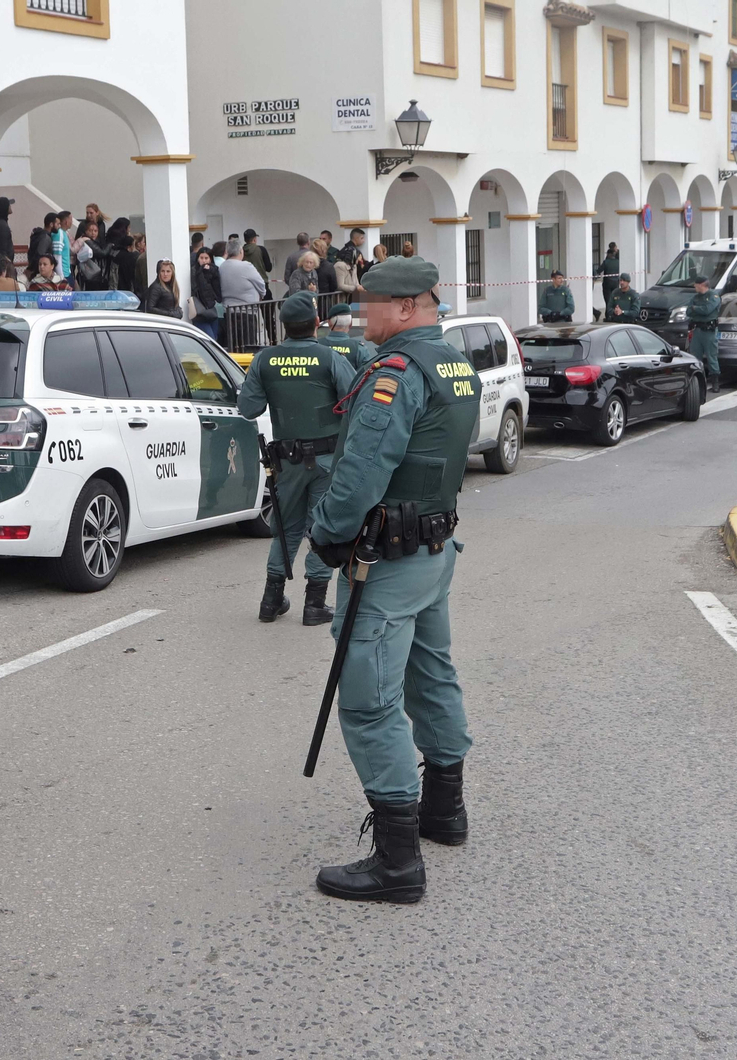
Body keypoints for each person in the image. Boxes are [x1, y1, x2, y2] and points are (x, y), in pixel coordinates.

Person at [306, 255, 480, 904]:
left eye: (370, 303)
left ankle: (398, 861)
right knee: (431, 676)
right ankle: (444, 810)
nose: (360, 313)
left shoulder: (396, 374)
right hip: (434, 552)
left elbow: (361, 472)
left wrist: (326, 534)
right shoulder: (453, 362)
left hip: (388, 561)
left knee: (369, 701)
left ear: (405, 308)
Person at [238, 291, 358, 626]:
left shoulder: (264, 360)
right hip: (326, 460)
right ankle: (314, 604)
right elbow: (354, 399)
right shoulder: (329, 358)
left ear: (283, 326)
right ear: (317, 323)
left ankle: (270, 601)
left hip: (286, 461)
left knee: (286, 528)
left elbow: (248, 408)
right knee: (321, 526)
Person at [686, 275, 722, 393]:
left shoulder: (713, 296)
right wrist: (697, 309)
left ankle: (715, 381)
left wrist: (695, 308)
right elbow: (688, 311)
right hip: (697, 330)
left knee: (711, 357)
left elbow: (707, 310)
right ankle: (698, 381)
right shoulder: (695, 297)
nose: (694, 287)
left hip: (709, 331)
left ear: (701, 285)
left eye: (696, 285)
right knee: (695, 356)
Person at [320, 302, 378, 369]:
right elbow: (365, 372)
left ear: (329, 323)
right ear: (351, 323)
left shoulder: (317, 345)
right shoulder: (359, 349)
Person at [190, 248, 224, 339]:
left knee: (214, 337)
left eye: (206, 258)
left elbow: (217, 289)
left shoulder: (214, 270)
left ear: (210, 259)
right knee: (209, 338)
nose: (204, 261)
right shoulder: (195, 271)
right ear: (198, 259)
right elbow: (198, 288)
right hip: (200, 310)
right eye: (201, 258)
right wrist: (202, 272)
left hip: (212, 310)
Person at [73, 219, 110, 291]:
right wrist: (110, 245)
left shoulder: (95, 241)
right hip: (89, 274)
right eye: (90, 230)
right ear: (86, 231)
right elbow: (102, 253)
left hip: (91, 274)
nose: (93, 233)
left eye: (95, 231)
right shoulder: (87, 241)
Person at [28, 212, 57, 278]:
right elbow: (40, 255)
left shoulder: (39, 235)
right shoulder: (45, 238)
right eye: (57, 224)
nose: (59, 226)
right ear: (51, 224)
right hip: (39, 274)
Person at [52, 211, 75, 286]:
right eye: (71, 219)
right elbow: (57, 256)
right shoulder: (59, 233)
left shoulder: (64, 233)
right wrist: (61, 277)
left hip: (67, 272)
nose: (72, 222)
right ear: (66, 221)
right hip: (63, 275)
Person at [0, 195, 15, 266]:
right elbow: (2, 250)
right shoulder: (2, 226)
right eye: (8, 205)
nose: (10, 206)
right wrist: (8, 265)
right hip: (5, 265)